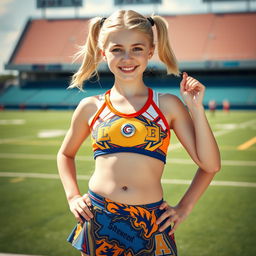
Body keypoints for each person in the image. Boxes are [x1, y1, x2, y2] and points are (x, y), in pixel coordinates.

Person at [57, 10, 221, 256]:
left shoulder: (168, 105)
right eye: (116, 49)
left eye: (136, 48)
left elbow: (210, 164)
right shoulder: (90, 106)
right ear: (103, 53)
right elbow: (65, 154)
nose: (127, 57)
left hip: (151, 221)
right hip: (99, 217)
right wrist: (72, 196)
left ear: (150, 51)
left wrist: (195, 108)